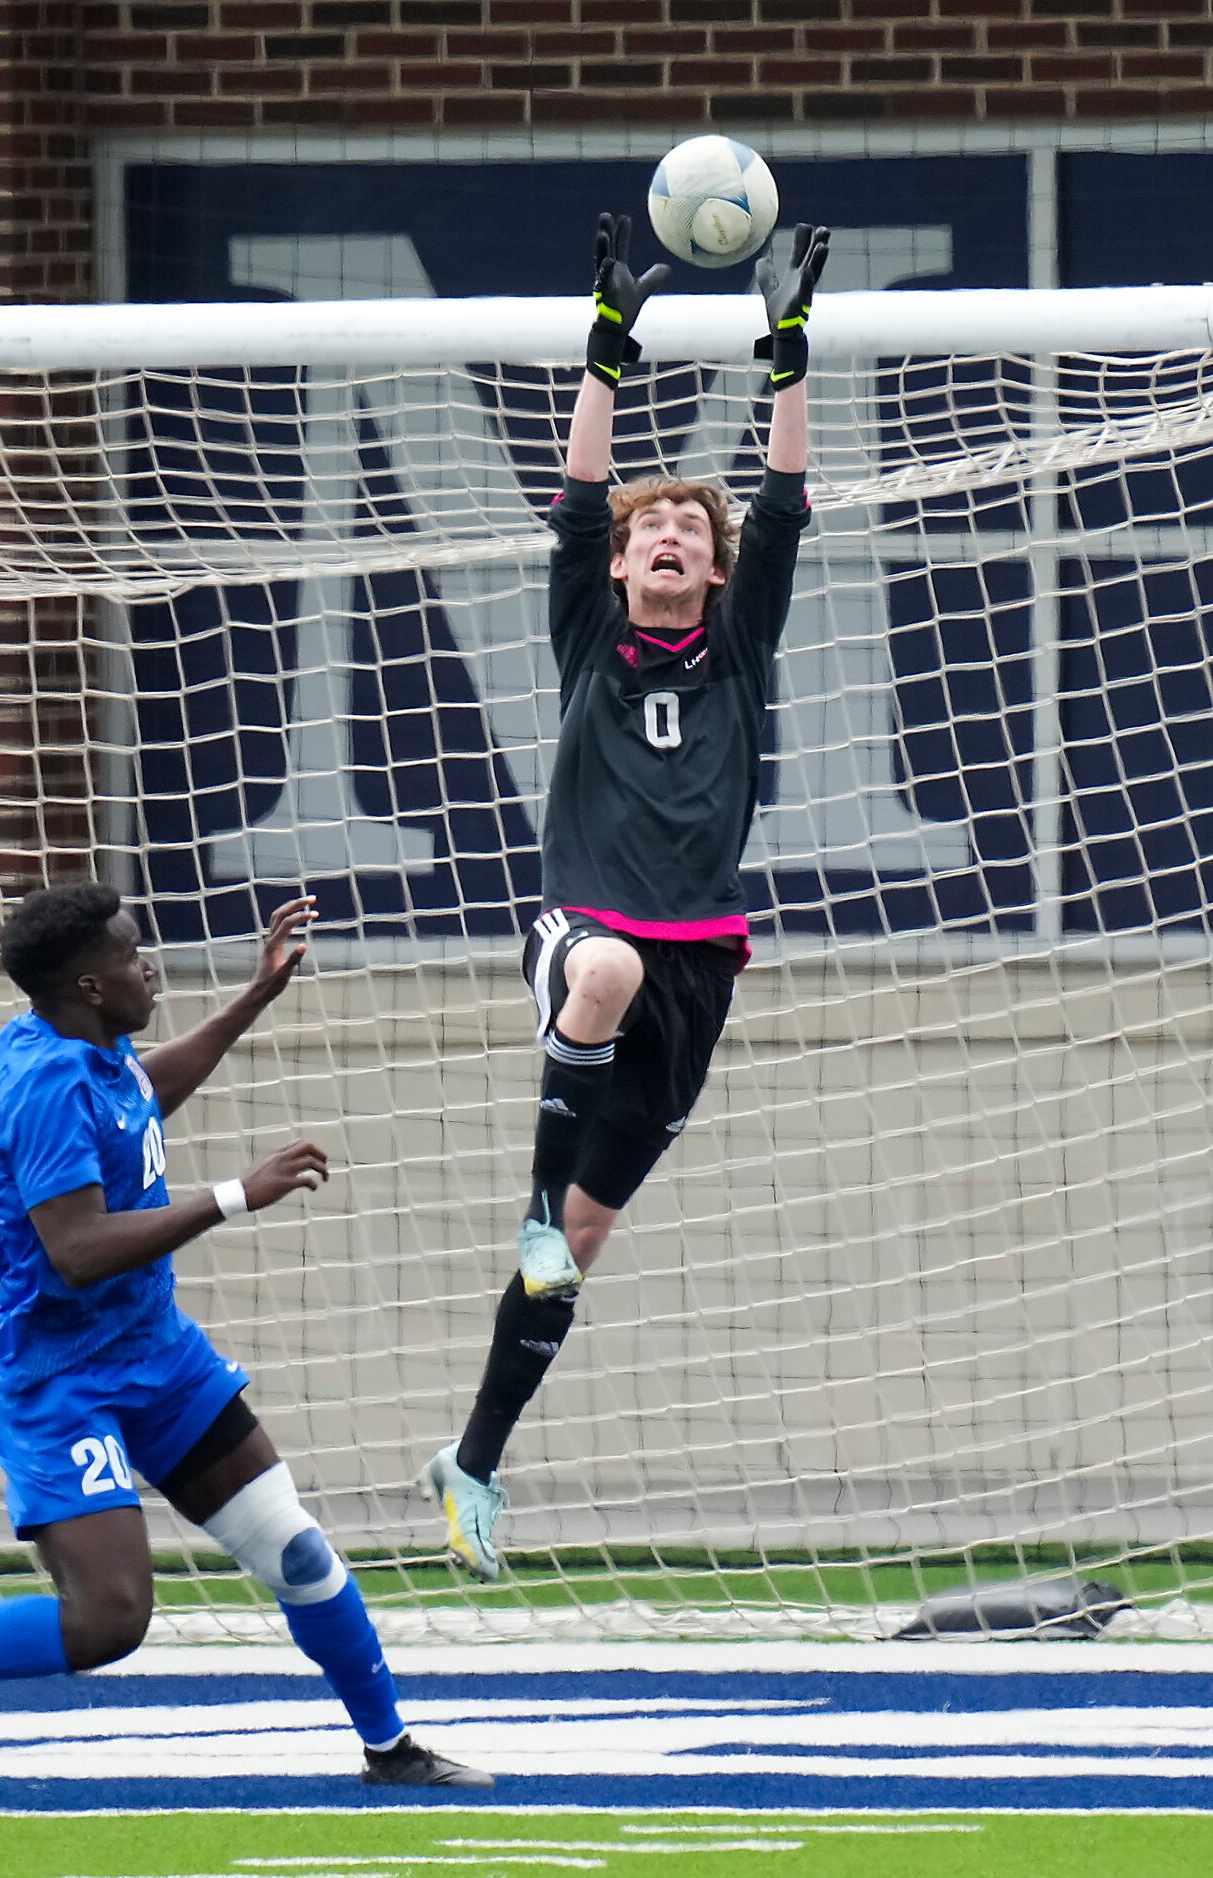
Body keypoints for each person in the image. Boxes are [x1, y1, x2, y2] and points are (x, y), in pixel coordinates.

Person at [0, 881, 489, 1801]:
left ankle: (389, 1746)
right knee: (109, 1623)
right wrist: (235, 1195)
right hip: (62, 1377)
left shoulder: (86, 1045)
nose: (147, 964)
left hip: (157, 1355)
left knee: (296, 1552)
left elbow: (137, 1094)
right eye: (129, 954)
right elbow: (77, 1251)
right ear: (86, 983)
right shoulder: (43, 1084)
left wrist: (252, 997)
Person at [422, 214, 831, 1581]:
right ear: (614, 562)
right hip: (587, 931)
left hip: (700, 961)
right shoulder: (588, 631)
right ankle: (535, 1202)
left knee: (578, 1258)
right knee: (600, 981)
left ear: (711, 572)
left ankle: (471, 1459)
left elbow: (779, 497)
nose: (666, 533)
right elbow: (582, 485)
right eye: (648, 526)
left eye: (686, 530)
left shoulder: (738, 642)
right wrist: (608, 343)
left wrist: (786, 346)